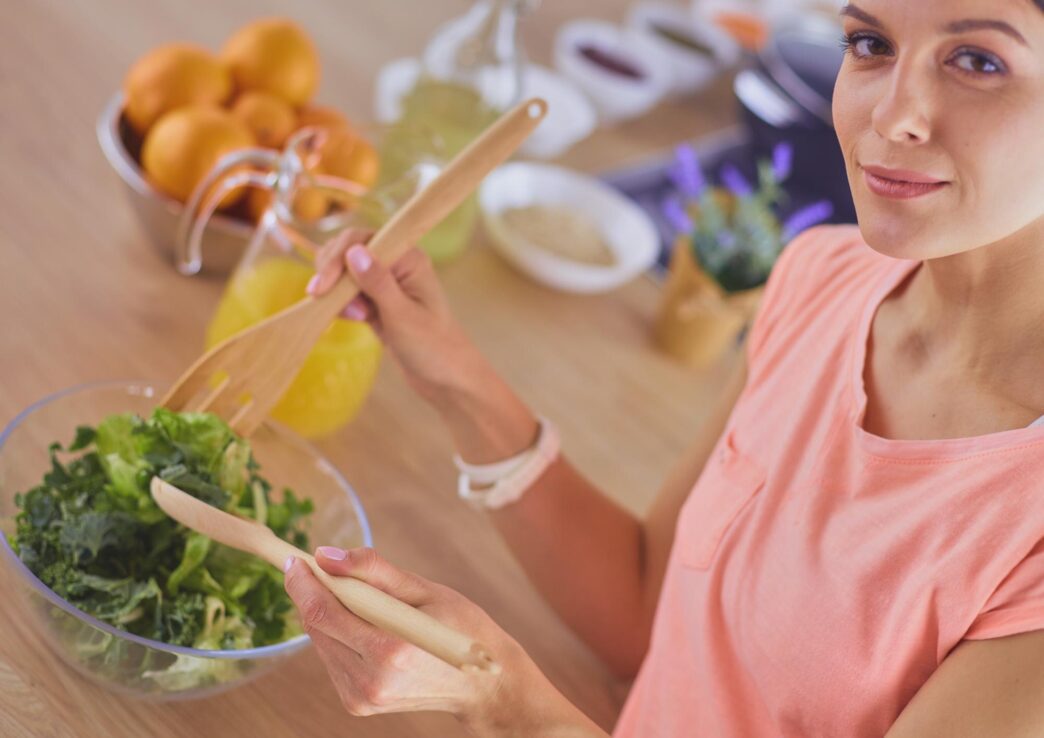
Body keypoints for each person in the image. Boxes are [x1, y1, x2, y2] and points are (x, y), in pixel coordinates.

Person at [281, 0, 1044, 734]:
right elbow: (647, 615)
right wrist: (449, 372)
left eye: (977, 60)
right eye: (871, 44)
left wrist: (505, 703)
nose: (889, 115)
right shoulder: (823, 277)